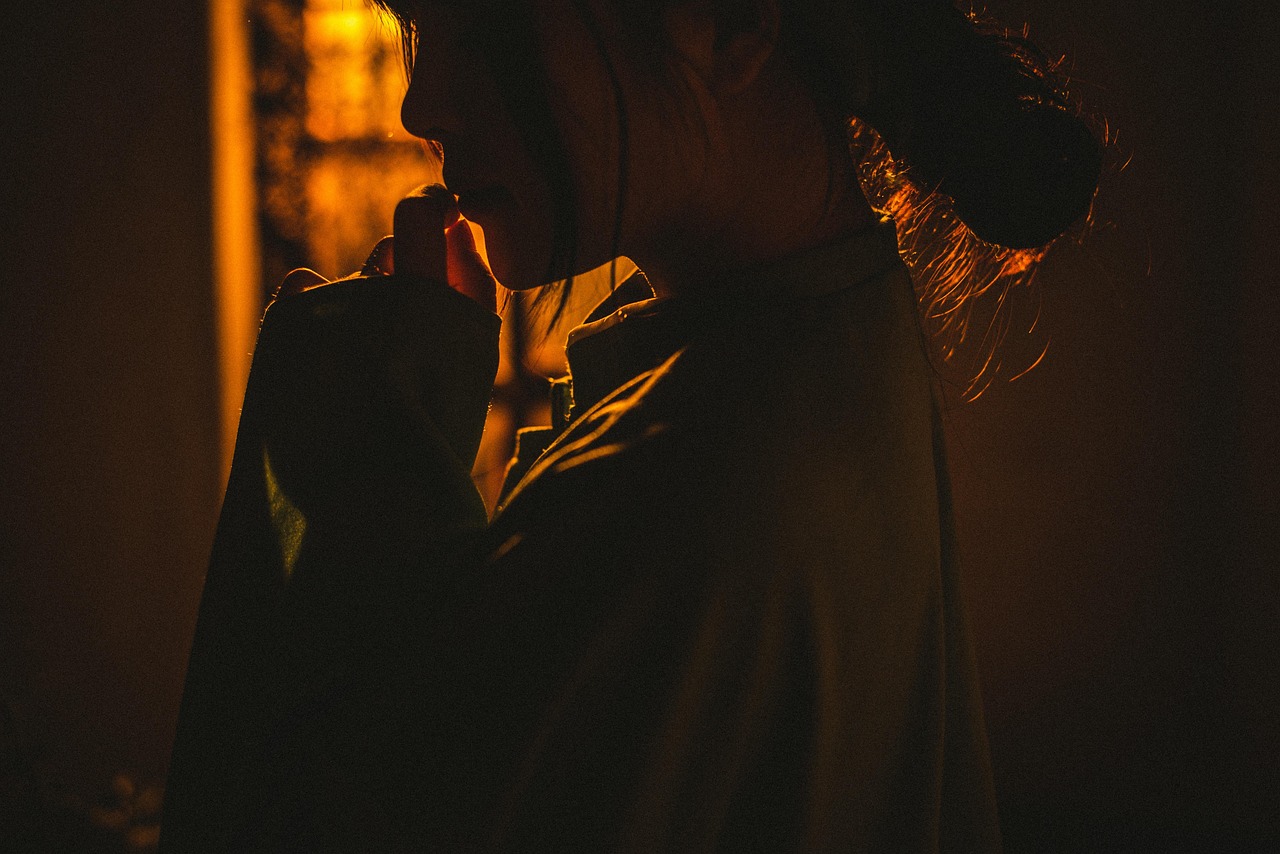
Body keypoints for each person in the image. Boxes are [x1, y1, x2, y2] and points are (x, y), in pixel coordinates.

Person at [161, 0, 1100, 850]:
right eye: (416, 29)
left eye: (487, 27)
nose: (423, 104)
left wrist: (357, 445)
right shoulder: (831, 343)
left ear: (732, 25)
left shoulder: (684, 491)